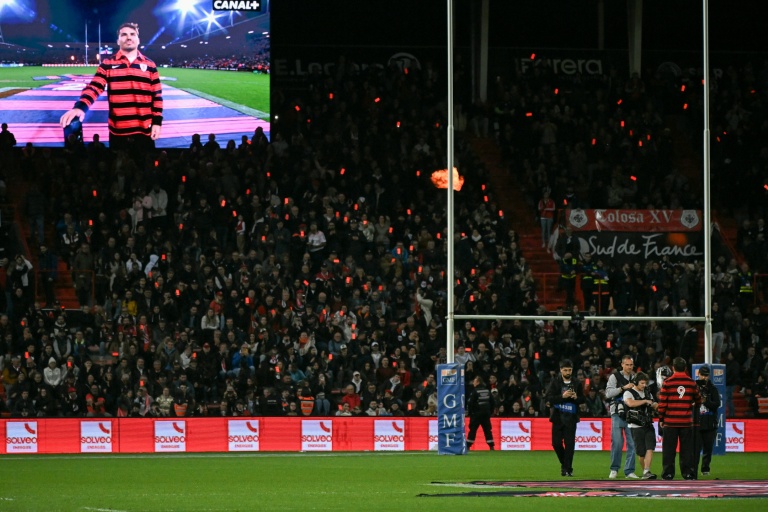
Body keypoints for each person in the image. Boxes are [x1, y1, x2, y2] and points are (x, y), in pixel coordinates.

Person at [59, 22, 163, 155]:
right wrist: (80, 107)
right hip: (118, 132)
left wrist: (157, 123)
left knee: (144, 172)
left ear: (138, 39)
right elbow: (95, 87)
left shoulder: (150, 65)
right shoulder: (107, 64)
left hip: (144, 131)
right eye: (124, 35)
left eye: (132, 34)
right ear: (118, 40)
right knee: (118, 171)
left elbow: (157, 97)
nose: (128, 37)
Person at [657, 356, 701, 480]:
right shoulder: (691, 382)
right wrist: (694, 403)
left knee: (669, 450)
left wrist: (661, 418)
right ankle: (688, 473)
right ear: (685, 368)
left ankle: (668, 473)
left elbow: (662, 403)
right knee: (687, 450)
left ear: (673, 368)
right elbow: (698, 399)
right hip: (686, 422)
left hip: (670, 422)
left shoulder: (667, 382)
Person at [546, 359, 583, 477]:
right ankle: (565, 465)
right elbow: (549, 398)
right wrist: (562, 396)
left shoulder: (577, 383)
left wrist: (577, 397)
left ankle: (567, 468)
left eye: (570, 370)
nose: (568, 372)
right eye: (565, 370)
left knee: (570, 444)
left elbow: (583, 399)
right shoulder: (555, 382)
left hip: (571, 417)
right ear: (561, 370)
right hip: (557, 417)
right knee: (556, 443)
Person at [605, 354, 638, 479]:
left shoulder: (635, 377)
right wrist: (623, 388)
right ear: (622, 364)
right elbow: (608, 393)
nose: (629, 367)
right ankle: (614, 469)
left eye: (631, 365)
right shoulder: (615, 376)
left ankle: (629, 470)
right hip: (617, 412)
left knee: (632, 443)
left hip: (632, 412)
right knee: (617, 442)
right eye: (627, 364)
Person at [623, 372, 659, 479]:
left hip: (648, 424)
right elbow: (630, 403)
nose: (644, 385)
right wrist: (644, 401)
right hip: (635, 426)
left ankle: (647, 471)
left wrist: (658, 405)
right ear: (635, 382)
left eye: (645, 383)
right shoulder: (628, 393)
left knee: (650, 447)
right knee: (641, 452)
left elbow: (653, 403)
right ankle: (645, 472)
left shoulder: (648, 392)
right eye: (642, 383)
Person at [694, 365, 721, 476]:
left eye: (706, 375)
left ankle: (705, 469)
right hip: (697, 421)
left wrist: (705, 401)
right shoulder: (693, 387)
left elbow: (717, 404)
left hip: (709, 422)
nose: (704, 377)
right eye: (702, 375)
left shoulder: (713, 388)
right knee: (695, 448)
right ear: (698, 374)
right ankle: (693, 469)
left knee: (708, 448)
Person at [466, 375, 495, 450]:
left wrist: (471, 413)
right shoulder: (487, 391)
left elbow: (470, 403)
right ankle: (491, 446)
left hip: (476, 414)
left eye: (474, 381)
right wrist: (489, 412)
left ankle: (468, 446)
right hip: (486, 414)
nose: (473, 383)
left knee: (473, 430)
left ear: (478, 382)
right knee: (487, 430)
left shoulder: (475, 391)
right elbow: (493, 403)